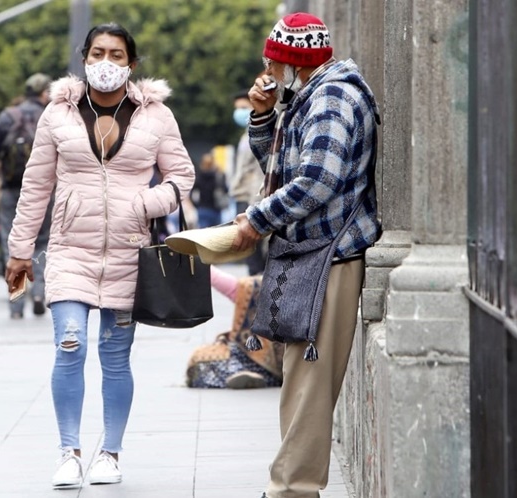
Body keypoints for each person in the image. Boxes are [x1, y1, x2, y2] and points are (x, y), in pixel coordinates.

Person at [3, 23, 195, 489]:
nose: (105, 63)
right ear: (84, 57)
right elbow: (36, 186)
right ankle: (68, 451)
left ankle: (110, 452)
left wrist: (144, 205)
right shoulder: (58, 114)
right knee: (70, 343)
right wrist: (20, 250)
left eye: (116, 54)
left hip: (131, 254)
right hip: (70, 250)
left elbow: (181, 176)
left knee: (115, 355)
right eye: (97, 53)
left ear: (131, 62)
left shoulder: (156, 116)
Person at [230, 13, 381, 498]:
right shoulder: (308, 97)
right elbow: (282, 170)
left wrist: (256, 220)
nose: (269, 72)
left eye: (274, 65)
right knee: (298, 384)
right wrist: (262, 116)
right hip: (310, 254)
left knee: (309, 389)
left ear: (296, 62)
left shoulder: (333, 98)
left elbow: (317, 180)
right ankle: (291, 486)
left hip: (329, 258)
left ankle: (293, 490)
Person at [0, 73, 53, 318]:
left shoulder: (7, 116)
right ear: (45, 93)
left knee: (13, 246)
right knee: (43, 242)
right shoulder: (52, 116)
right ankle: (38, 293)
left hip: (12, 191)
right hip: (46, 191)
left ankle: (16, 304)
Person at [186, 266, 284, 389]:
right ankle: (253, 376)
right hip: (291, 361)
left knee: (199, 363)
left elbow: (233, 288)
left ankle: (246, 375)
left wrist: (196, 262)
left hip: (256, 358)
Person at [229, 89, 267, 276]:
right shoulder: (245, 135)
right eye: (237, 109)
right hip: (243, 194)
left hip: (256, 196)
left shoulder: (260, 132)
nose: (239, 113)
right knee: (250, 252)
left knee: (257, 249)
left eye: (244, 108)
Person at [190, 152, 229, 228]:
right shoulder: (218, 176)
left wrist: (197, 205)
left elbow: (192, 193)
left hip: (202, 209)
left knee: (203, 236)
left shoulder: (199, 177)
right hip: (215, 209)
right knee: (216, 235)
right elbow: (225, 190)